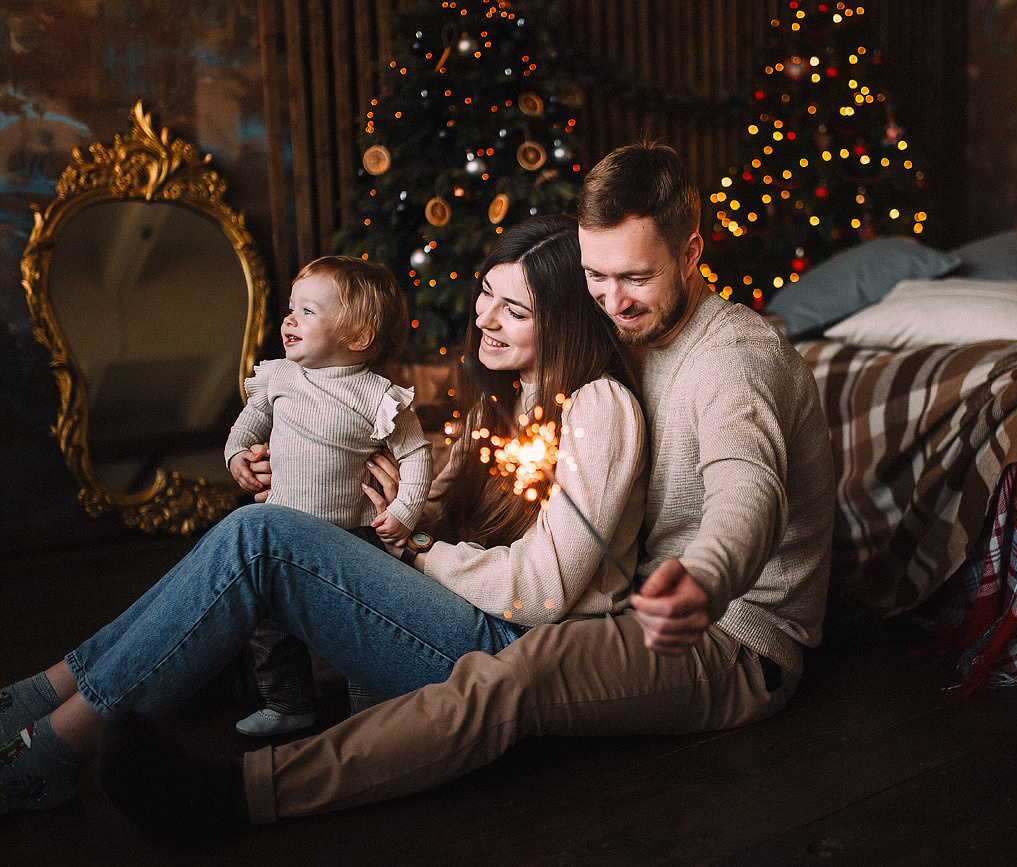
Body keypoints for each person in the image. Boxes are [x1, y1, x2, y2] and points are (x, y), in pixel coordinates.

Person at [89, 141, 837, 843]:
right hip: (634, 598)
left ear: (693, 253)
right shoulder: (623, 335)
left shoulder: (733, 360)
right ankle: (92, 701)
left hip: (730, 639)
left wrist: (706, 575)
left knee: (520, 676)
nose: (611, 300)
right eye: (596, 276)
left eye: (635, 277)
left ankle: (236, 794)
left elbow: (748, 487)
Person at [0, 214, 647, 817]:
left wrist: (416, 545)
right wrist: (382, 510)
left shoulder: (599, 408)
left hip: (508, 652)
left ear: (566, 322)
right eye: (485, 293)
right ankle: (41, 700)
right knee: (261, 530)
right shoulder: (502, 396)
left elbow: (541, 590)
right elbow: (445, 512)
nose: (484, 318)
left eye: (515, 310)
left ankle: (50, 748)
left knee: (260, 537)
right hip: (458, 608)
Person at [225, 255, 435, 737]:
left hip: (352, 537)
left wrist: (405, 512)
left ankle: (367, 707)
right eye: (291, 309)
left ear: (357, 337)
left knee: (357, 626)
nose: (289, 320)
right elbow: (247, 426)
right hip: (281, 530)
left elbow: (417, 456)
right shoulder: (280, 376)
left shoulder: (377, 396)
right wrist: (238, 456)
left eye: (307, 311)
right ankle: (288, 703)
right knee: (269, 622)